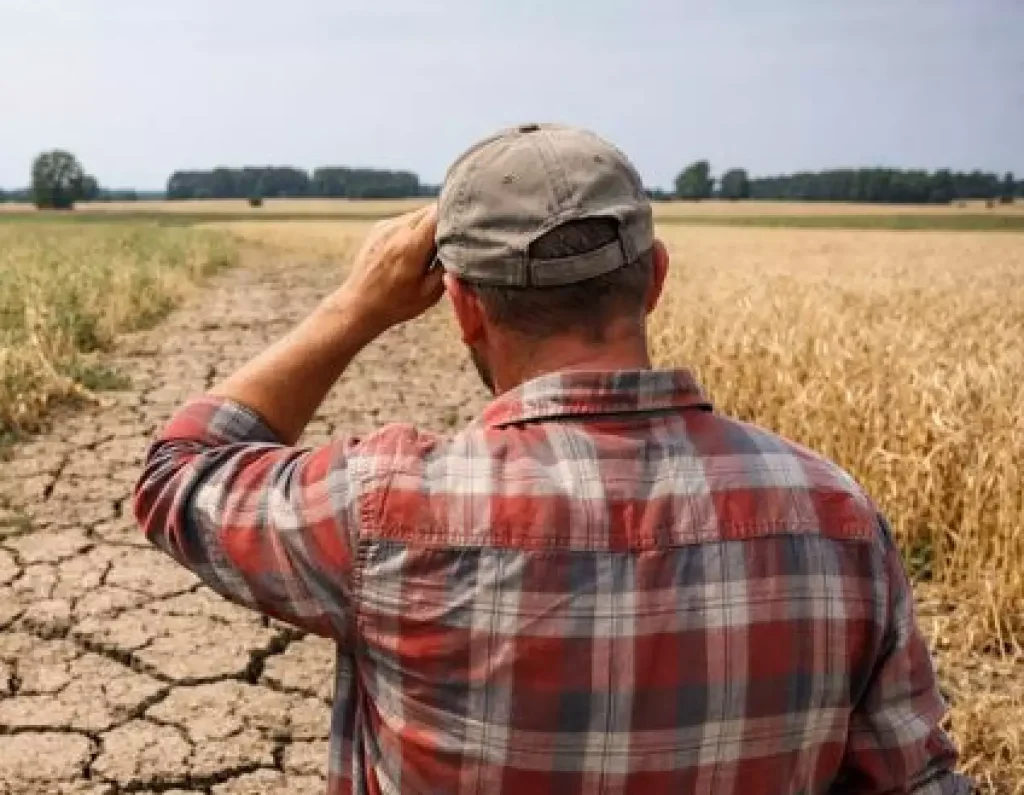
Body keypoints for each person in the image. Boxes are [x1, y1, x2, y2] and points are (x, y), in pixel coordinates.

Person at [134, 123, 969, 794]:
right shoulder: (834, 514)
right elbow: (915, 775)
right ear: (655, 278)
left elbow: (180, 470)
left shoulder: (386, 511)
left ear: (462, 307)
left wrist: (353, 307)